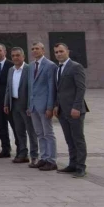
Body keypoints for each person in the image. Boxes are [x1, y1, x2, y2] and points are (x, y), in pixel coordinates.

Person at [53, 43, 88, 178]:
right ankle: (72, 164)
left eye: (61, 51)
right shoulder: (58, 68)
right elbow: (58, 90)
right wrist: (56, 105)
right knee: (69, 139)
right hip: (62, 110)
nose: (58, 54)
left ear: (68, 51)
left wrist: (76, 107)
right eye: (56, 52)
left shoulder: (75, 67)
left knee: (78, 139)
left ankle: (81, 167)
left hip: (74, 110)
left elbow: (81, 88)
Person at [3, 47, 38, 164]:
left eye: (18, 55)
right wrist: (6, 103)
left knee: (31, 131)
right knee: (19, 131)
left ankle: (34, 155)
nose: (15, 58)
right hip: (14, 104)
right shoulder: (11, 70)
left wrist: (30, 105)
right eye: (13, 56)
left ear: (23, 56)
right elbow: (8, 88)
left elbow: (32, 89)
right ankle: (23, 153)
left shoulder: (29, 69)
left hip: (26, 105)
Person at [27, 42, 58, 171]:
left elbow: (52, 88)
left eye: (37, 49)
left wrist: (50, 107)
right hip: (34, 106)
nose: (34, 51)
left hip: (45, 105)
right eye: (33, 49)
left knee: (48, 133)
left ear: (43, 50)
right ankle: (44, 157)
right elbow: (30, 88)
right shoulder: (31, 66)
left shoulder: (50, 66)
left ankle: (52, 160)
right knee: (39, 133)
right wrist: (29, 105)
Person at [0, 43, 17, 158]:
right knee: (1, 126)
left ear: (4, 52)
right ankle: (5, 149)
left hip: (8, 101)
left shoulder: (11, 65)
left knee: (15, 126)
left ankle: (20, 149)